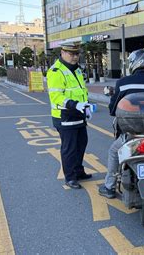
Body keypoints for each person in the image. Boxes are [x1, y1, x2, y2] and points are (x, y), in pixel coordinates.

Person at [98, 48, 144, 198]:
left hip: (131, 135)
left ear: (135, 63)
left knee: (113, 152)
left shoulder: (124, 83)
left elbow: (113, 110)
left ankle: (109, 187)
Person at [47, 41, 93, 189]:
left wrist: (86, 108)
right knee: (69, 148)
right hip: (65, 116)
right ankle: (70, 177)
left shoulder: (77, 70)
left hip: (79, 114)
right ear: (63, 53)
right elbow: (57, 97)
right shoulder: (56, 71)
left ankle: (79, 171)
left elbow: (82, 91)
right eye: (71, 54)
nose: (75, 57)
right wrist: (75, 105)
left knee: (81, 144)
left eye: (77, 54)